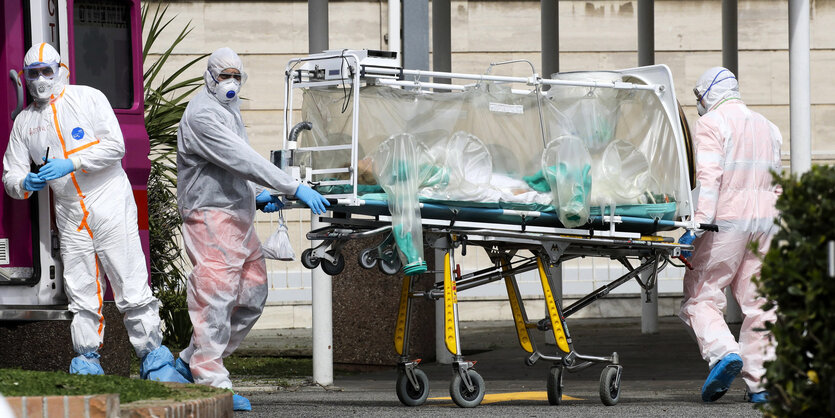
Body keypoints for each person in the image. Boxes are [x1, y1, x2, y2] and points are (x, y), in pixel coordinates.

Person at [2, 43, 188, 383]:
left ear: (61, 70)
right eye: (33, 73)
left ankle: (156, 364)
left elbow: (116, 145)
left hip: (108, 201)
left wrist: (73, 162)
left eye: (47, 70)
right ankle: (87, 363)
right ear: (24, 77)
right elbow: (10, 175)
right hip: (70, 213)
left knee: (130, 284)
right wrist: (24, 182)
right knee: (81, 292)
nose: (41, 79)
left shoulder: (87, 98)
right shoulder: (25, 123)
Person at [174, 47, 329, 411]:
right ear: (209, 77)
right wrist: (292, 187)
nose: (230, 83)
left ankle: (189, 361)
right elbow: (241, 158)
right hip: (209, 214)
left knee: (253, 293)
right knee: (216, 296)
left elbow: (234, 163)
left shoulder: (228, 110)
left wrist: (259, 194)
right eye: (223, 75)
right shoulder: (202, 115)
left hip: (235, 214)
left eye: (236, 76)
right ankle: (212, 382)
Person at [677, 67, 782, 404]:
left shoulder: (711, 124)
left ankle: (723, 353)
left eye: (698, 96)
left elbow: (709, 180)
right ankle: (761, 384)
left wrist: (696, 228)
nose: (698, 104)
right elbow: (777, 185)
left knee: (701, 294)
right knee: (761, 302)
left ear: (708, 93)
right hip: (764, 225)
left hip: (725, 223)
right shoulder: (770, 128)